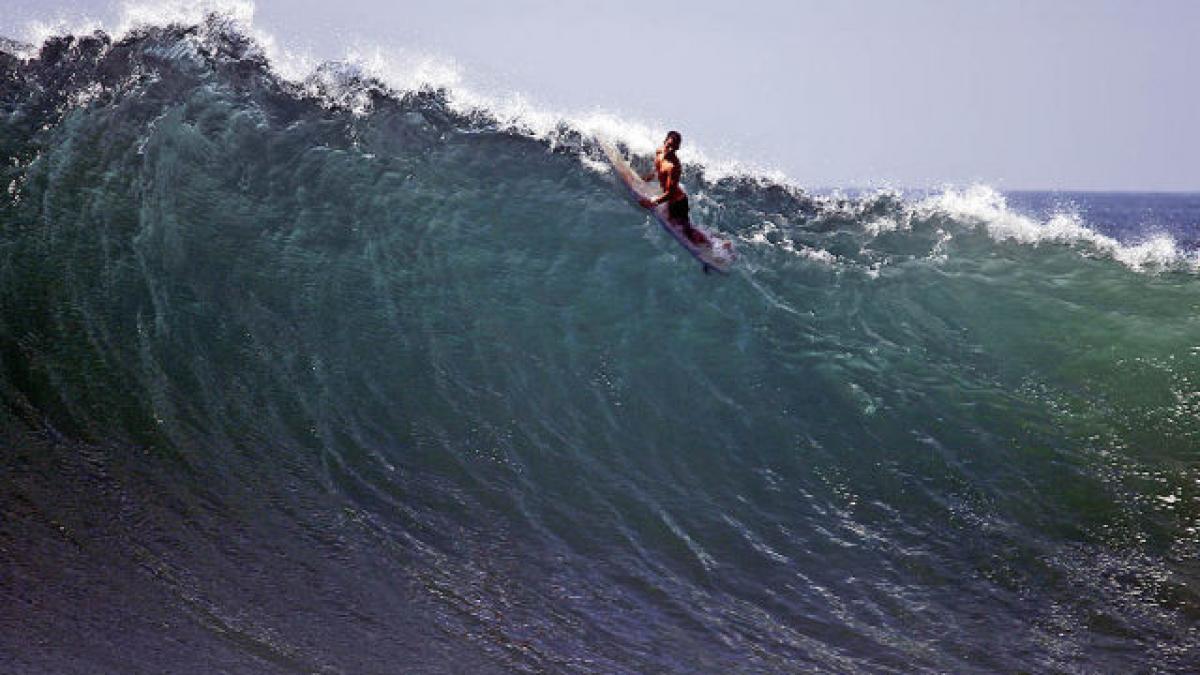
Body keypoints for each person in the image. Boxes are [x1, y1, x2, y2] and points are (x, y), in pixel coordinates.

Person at [639, 131, 707, 245]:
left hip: (678, 203)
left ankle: (713, 243)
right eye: (669, 145)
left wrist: (652, 202)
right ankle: (706, 237)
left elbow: (670, 193)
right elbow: (658, 168)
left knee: (687, 231)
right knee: (677, 225)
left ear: (677, 148)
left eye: (674, 147)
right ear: (664, 142)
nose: (670, 149)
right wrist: (650, 176)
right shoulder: (659, 152)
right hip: (670, 200)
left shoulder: (673, 167)